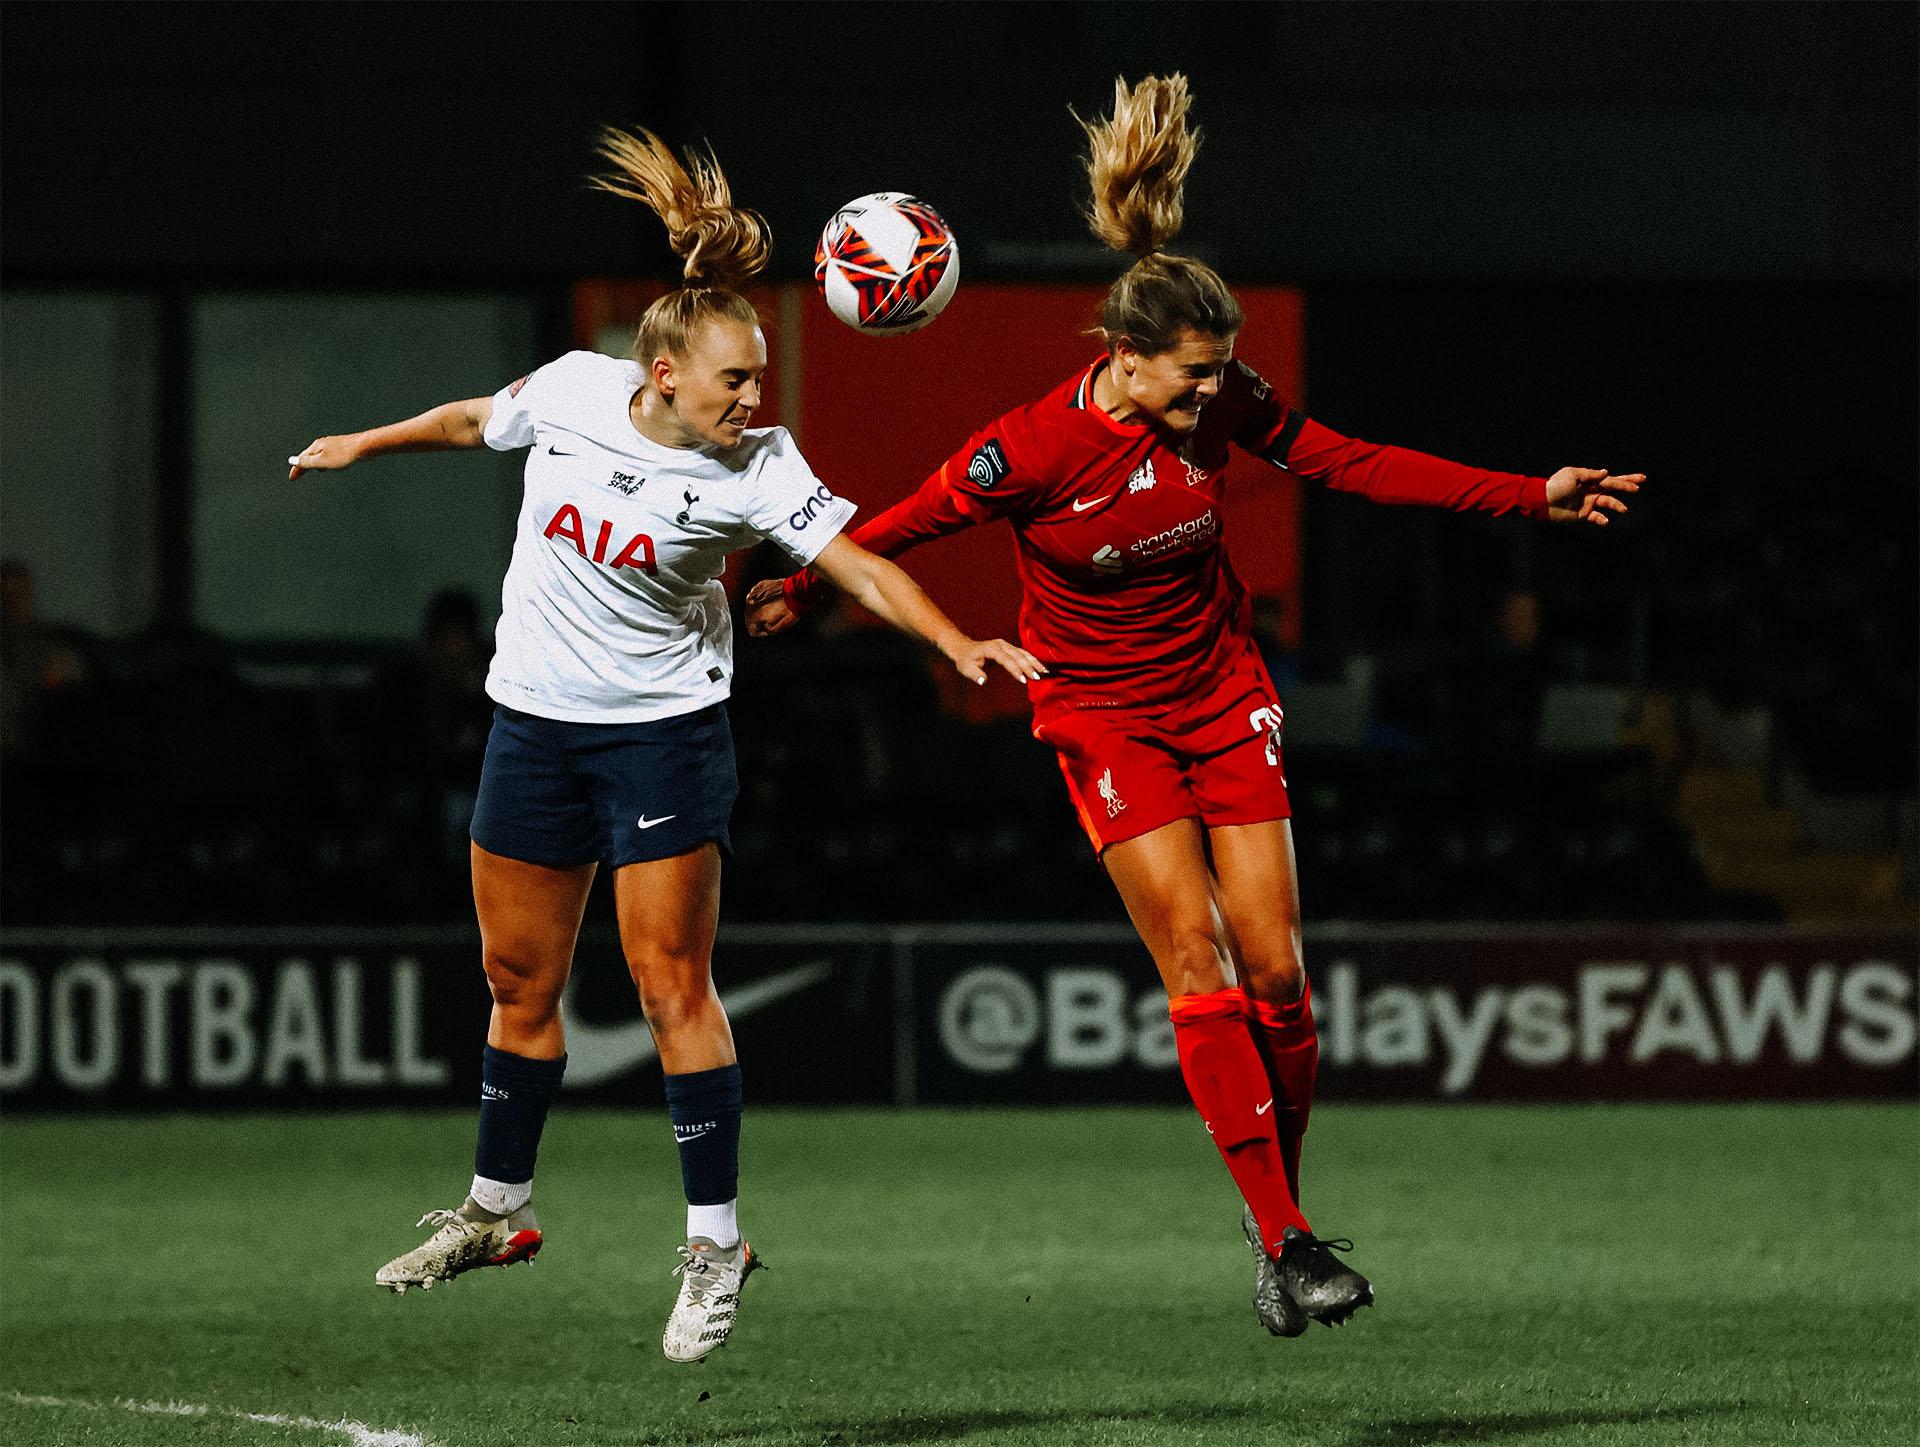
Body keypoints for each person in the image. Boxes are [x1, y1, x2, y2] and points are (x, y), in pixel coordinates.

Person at [748, 74, 1642, 1338]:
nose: (1208, 398)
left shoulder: (1224, 401)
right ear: (1119, 357)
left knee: (1280, 974)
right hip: (1103, 715)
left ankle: (1273, 1203)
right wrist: (796, 581)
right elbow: (895, 525)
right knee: (1195, 957)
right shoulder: (1030, 451)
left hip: (1222, 693)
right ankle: (1285, 1239)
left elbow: (1349, 460)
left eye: (1218, 377)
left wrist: (1525, 493)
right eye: (1187, 378)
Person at [286, 125, 1042, 1361]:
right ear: (661, 371)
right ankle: (496, 1210)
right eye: (736, 380)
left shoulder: (759, 469)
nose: (757, 398)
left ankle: (712, 1245)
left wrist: (953, 642)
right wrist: (365, 442)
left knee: (668, 987)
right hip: (532, 725)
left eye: (756, 381)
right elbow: (480, 415)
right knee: (519, 986)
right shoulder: (578, 392)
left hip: (662, 739)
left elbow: (854, 561)